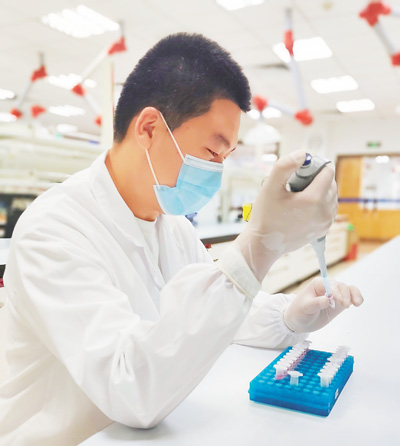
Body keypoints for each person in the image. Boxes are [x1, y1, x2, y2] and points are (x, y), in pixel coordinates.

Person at [0, 33, 363, 446]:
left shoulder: (171, 225)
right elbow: (131, 388)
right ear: (149, 128)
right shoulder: (54, 231)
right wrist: (257, 247)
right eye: (212, 152)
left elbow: (210, 317)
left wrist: (288, 318)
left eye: (225, 158)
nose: (217, 171)